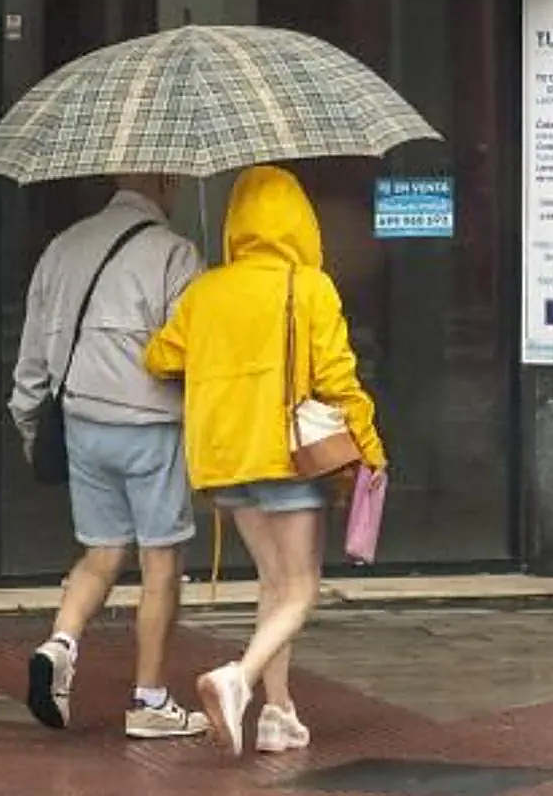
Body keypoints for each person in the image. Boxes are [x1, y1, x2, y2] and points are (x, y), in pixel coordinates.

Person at [144, 165, 386, 756]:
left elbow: (159, 357)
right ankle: (240, 680)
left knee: (273, 584)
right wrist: (371, 449)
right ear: (301, 220)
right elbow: (337, 377)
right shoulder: (309, 285)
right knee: (302, 588)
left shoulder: (207, 289)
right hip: (288, 457)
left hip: (228, 463)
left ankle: (279, 715)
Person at [9, 174, 209, 740]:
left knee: (100, 552)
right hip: (149, 428)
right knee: (161, 564)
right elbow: (189, 352)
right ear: (166, 184)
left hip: (82, 424)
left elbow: (32, 356)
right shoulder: (175, 253)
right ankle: (149, 700)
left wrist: (30, 425)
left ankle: (61, 642)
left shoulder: (63, 246)